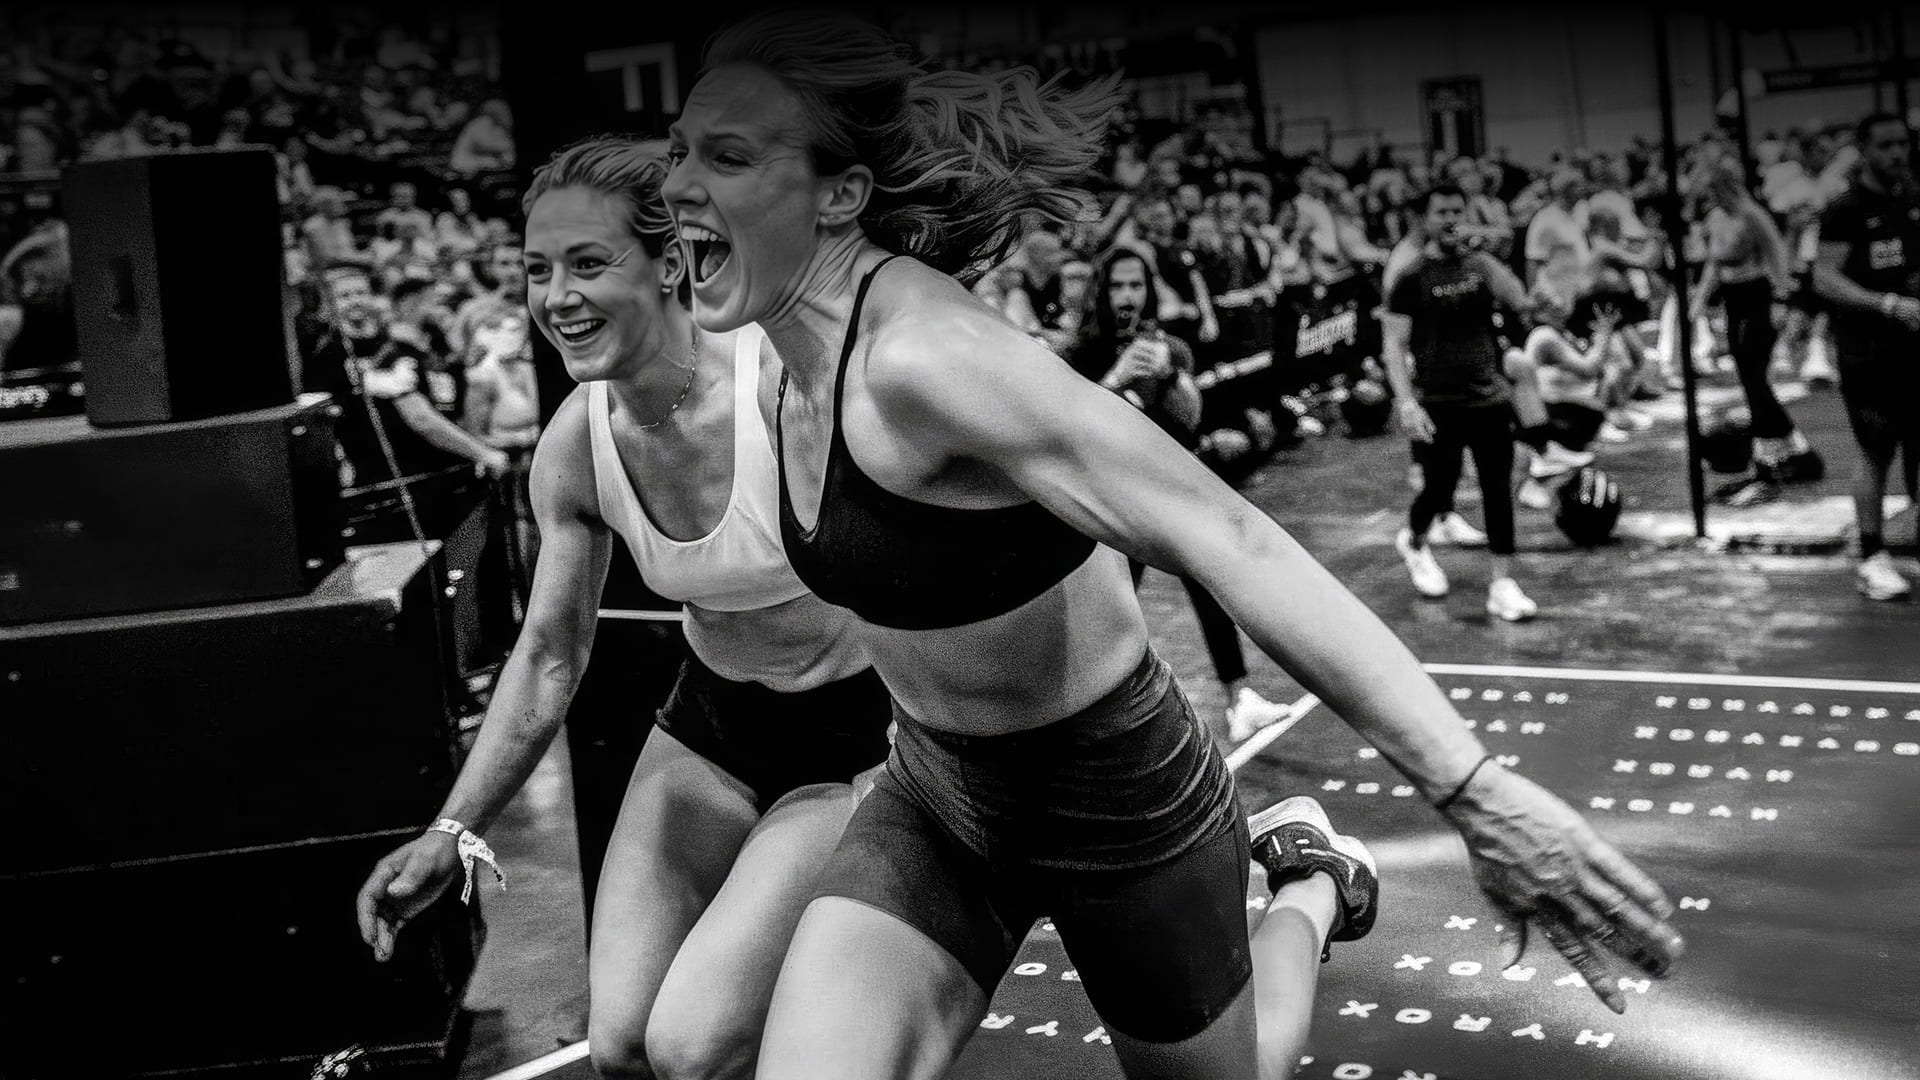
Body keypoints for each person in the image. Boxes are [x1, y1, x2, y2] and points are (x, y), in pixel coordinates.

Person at [663, 14, 1682, 1080]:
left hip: (1111, 793)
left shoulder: (926, 358)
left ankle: (1311, 889)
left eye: (728, 156)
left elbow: (1231, 536)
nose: (680, 182)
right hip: (937, 788)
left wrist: (1473, 789)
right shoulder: (771, 353)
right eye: (681, 147)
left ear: (841, 194)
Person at [353, 136, 894, 1080]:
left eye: (588, 263)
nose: (555, 296)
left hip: (850, 742)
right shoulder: (574, 444)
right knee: (622, 1047)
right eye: (535, 269)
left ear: (671, 262)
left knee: (692, 1047)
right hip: (709, 729)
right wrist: (454, 827)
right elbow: (548, 656)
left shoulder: (783, 386)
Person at [1057, 245, 1295, 742]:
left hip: (1173, 483)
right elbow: (1071, 430)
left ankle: (1239, 697)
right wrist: (1118, 378)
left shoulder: (1167, 343)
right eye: (1118, 285)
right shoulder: (1081, 352)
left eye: (1136, 285)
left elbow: (1191, 417)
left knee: (1208, 582)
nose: (1128, 295)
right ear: (1103, 290)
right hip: (1118, 495)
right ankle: (1083, 718)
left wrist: (1169, 372)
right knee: (1112, 603)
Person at [1385, 185, 1543, 621]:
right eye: (1442, 212)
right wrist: (1406, 403)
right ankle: (1414, 541)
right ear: (1425, 220)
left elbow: (1524, 303)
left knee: (1497, 488)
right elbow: (1394, 346)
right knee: (1438, 488)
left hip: (1488, 398)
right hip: (1437, 402)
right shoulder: (1410, 276)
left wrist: (1546, 301)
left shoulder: (1482, 265)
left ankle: (1502, 583)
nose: (1452, 218)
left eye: (1458, 210)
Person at [1812, 111, 1920, 601]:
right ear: (1865, 150)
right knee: (1877, 451)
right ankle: (1872, 555)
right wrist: (1887, 304)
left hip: (1914, 348)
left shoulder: (1914, 199)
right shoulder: (1846, 210)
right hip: (1868, 352)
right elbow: (1824, 278)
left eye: (1902, 144)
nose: (1896, 153)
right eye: (1885, 146)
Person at [1691, 159, 1813, 508]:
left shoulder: (1751, 216)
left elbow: (1777, 255)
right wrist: (1700, 300)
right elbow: (1714, 264)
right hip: (1732, 301)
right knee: (1749, 379)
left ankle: (1774, 453)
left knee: (1757, 378)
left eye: (1714, 190)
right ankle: (1790, 449)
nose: (1710, 198)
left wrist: (1781, 299)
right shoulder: (1716, 220)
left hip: (1758, 296)